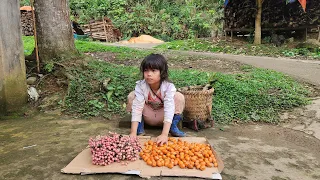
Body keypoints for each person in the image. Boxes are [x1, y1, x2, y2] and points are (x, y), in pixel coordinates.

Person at [127, 54, 186, 145]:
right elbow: (137, 107)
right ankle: (139, 128)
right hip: (148, 116)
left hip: (164, 117)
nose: (149, 74)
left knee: (178, 96)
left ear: (161, 72)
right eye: (146, 70)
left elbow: (169, 108)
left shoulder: (168, 87)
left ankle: (172, 127)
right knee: (132, 96)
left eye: (153, 70)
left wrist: (164, 134)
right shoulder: (141, 86)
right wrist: (133, 133)